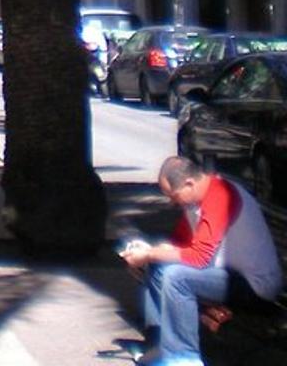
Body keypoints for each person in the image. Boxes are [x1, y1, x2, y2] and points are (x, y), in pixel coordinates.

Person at [121, 155, 282, 366]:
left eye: (173, 195)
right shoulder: (194, 203)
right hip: (225, 275)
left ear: (189, 183)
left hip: (255, 284)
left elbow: (199, 257)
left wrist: (150, 254)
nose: (172, 203)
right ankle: (158, 343)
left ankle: (184, 358)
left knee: (176, 277)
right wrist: (148, 253)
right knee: (159, 267)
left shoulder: (220, 194)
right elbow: (178, 245)